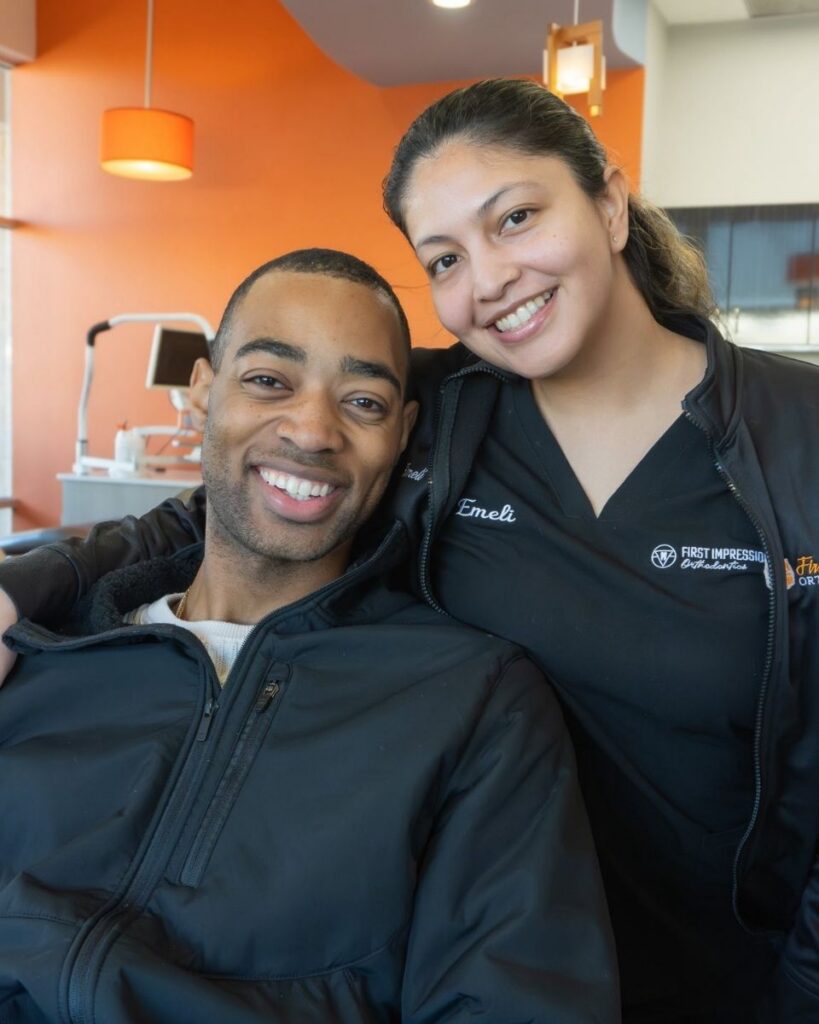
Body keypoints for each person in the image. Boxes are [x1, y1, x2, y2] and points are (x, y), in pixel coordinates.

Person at [2, 78, 818, 1021]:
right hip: (465, 928)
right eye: (443, 259)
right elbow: (228, 501)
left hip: (717, 979)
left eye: (514, 218)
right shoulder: (447, 414)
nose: (488, 280)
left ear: (607, 200)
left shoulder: (792, 437)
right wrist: (21, 589)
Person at [0, 248, 618, 1023]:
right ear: (203, 394)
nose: (313, 429)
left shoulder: (471, 701)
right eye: (268, 381)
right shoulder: (40, 653)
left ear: (401, 434)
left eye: (362, 402)